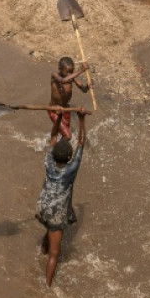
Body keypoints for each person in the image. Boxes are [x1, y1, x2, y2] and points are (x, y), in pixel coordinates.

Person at [36, 110, 87, 287]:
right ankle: (46, 286)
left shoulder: (49, 161)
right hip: (56, 214)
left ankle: (42, 250)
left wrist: (58, 117)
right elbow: (81, 143)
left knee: (49, 228)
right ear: (68, 158)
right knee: (55, 254)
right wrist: (81, 120)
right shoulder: (71, 170)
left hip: (42, 208)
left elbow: (53, 135)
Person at [48, 57, 91, 146]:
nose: (69, 74)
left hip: (66, 110)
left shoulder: (71, 77)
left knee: (63, 134)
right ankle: (54, 149)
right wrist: (81, 70)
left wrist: (88, 86)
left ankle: (56, 146)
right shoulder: (54, 75)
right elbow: (63, 80)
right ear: (60, 68)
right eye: (67, 72)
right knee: (68, 136)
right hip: (54, 110)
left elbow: (83, 89)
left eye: (71, 72)